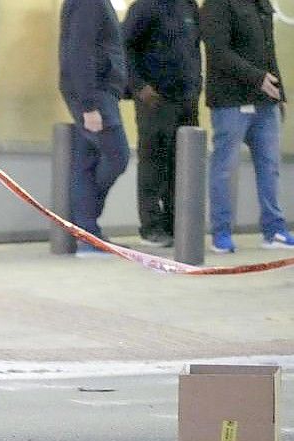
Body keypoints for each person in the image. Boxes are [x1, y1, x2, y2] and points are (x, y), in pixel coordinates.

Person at [201, 0, 294, 252]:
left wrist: (279, 95)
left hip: (266, 101)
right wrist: (257, 78)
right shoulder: (217, 5)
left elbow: (268, 50)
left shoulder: (261, 3)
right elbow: (218, 51)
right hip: (230, 101)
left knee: (270, 166)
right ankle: (221, 232)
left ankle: (274, 230)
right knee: (224, 168)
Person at [123, 0, 201, 248]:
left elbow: (193, 48)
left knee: (179, 165)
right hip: (155, 100)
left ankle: (173, 224)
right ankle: (151, 227)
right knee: (153, 165)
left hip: (186, 100)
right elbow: (125, 47)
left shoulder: (189, 6)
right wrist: (139, 86)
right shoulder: (145, 6)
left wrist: (197, 83)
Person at [59, 0, 131, 257]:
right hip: (95, 93)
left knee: (87, 162)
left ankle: (87, 232)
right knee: (117, 156)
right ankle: (86, 229)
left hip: (99, 91)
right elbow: (81, 50)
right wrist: (89, 105)